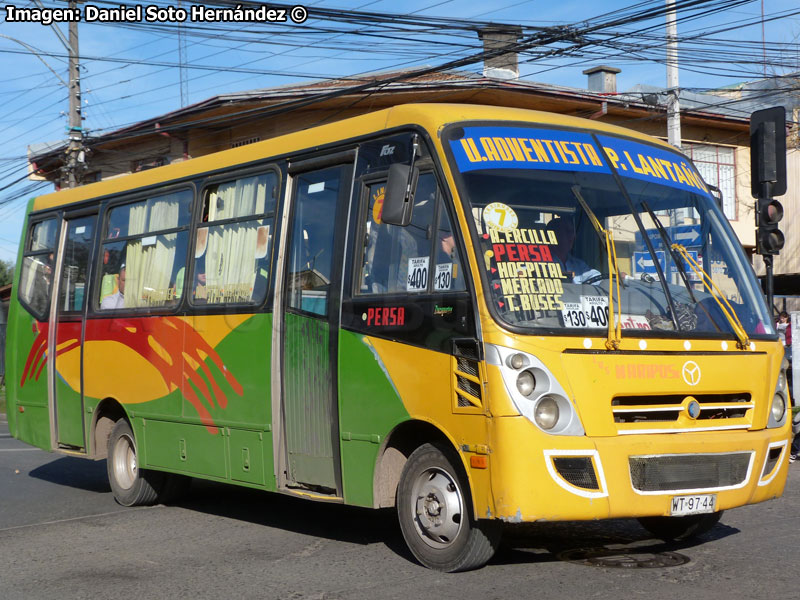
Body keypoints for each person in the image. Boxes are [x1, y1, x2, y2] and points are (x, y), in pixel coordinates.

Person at [546, 217, 601, 284]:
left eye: (572, 232)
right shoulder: (539, 263)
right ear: (553, 235)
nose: (572, 236)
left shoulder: (578, 265)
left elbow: (598, 279)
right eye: (567, 232)